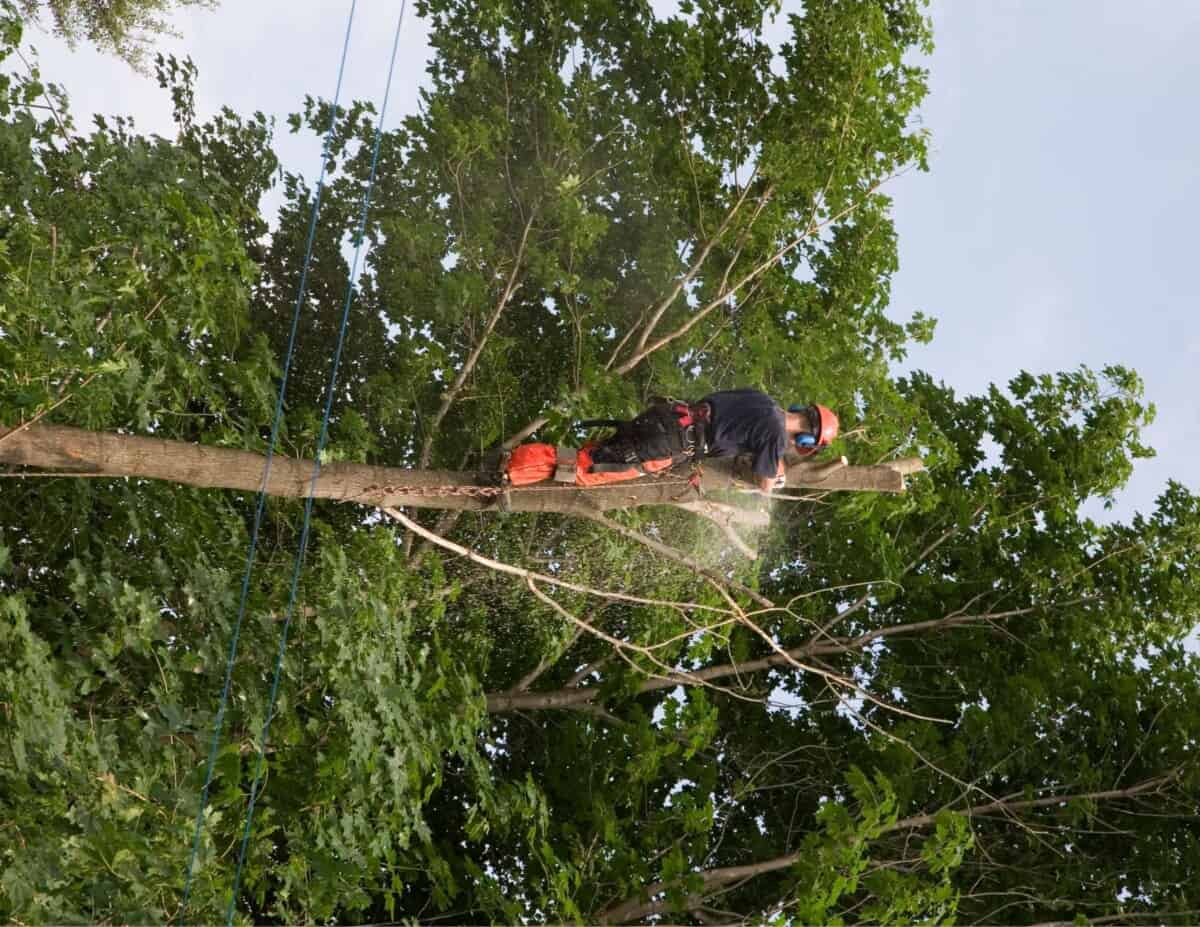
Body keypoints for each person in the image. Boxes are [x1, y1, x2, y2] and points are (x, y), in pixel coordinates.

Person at [695, 388, 839, 494]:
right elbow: (765, 485)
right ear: (806, 440)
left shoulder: (763, 398)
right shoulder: (777, 436)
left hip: (682, 415)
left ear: (800, 409)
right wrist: (774, 483)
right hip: (682, 444)